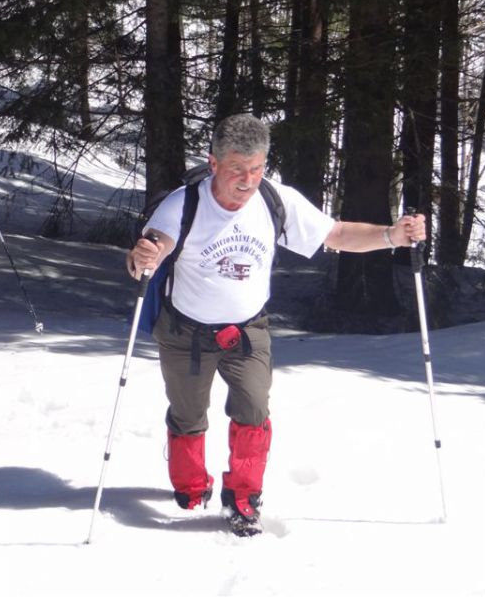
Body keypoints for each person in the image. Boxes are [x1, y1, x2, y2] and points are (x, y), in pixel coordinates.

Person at [126, 113, 426, 535]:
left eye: (256, 169)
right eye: (236, 170)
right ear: (214, 164)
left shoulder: (273, 200)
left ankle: (243, 497)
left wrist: (391, 236)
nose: (247, 181)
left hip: (247, 332)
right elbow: (155, 245)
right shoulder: (185, 203)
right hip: (184, 333)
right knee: (188, 413)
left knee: (254, 408)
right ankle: (192, 484)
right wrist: (145, 256)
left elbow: (336, 235)